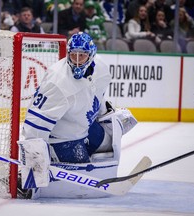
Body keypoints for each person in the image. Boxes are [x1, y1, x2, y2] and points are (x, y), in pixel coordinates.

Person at [21, 32, 137, 165]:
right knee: (86, 176)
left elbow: (98, 94)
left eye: (81, 55)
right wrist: (34, 164)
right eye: (73, 55)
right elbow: (35, 125)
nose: (76, 61)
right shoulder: (58, 83)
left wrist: (106, 114)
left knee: (108, 146)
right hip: (63, 139)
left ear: (91, 55)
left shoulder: (101, 68)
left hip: (87, 127)